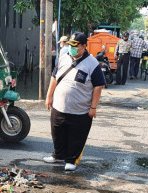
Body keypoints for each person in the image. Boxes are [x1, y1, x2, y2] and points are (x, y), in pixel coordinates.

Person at [43, 33, 105, 171]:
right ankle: (58, 155)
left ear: (84, 46)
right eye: (70, 45)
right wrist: (49, 96)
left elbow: (99, 86)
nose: (72, 48)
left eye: (75, 46)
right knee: (57, 133)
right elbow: (54, 78)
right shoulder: (64, 58)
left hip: (80, 110)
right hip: (59, 106)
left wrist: (93, 107)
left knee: (76, 137)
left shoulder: (92, 63)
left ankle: (71, 160)